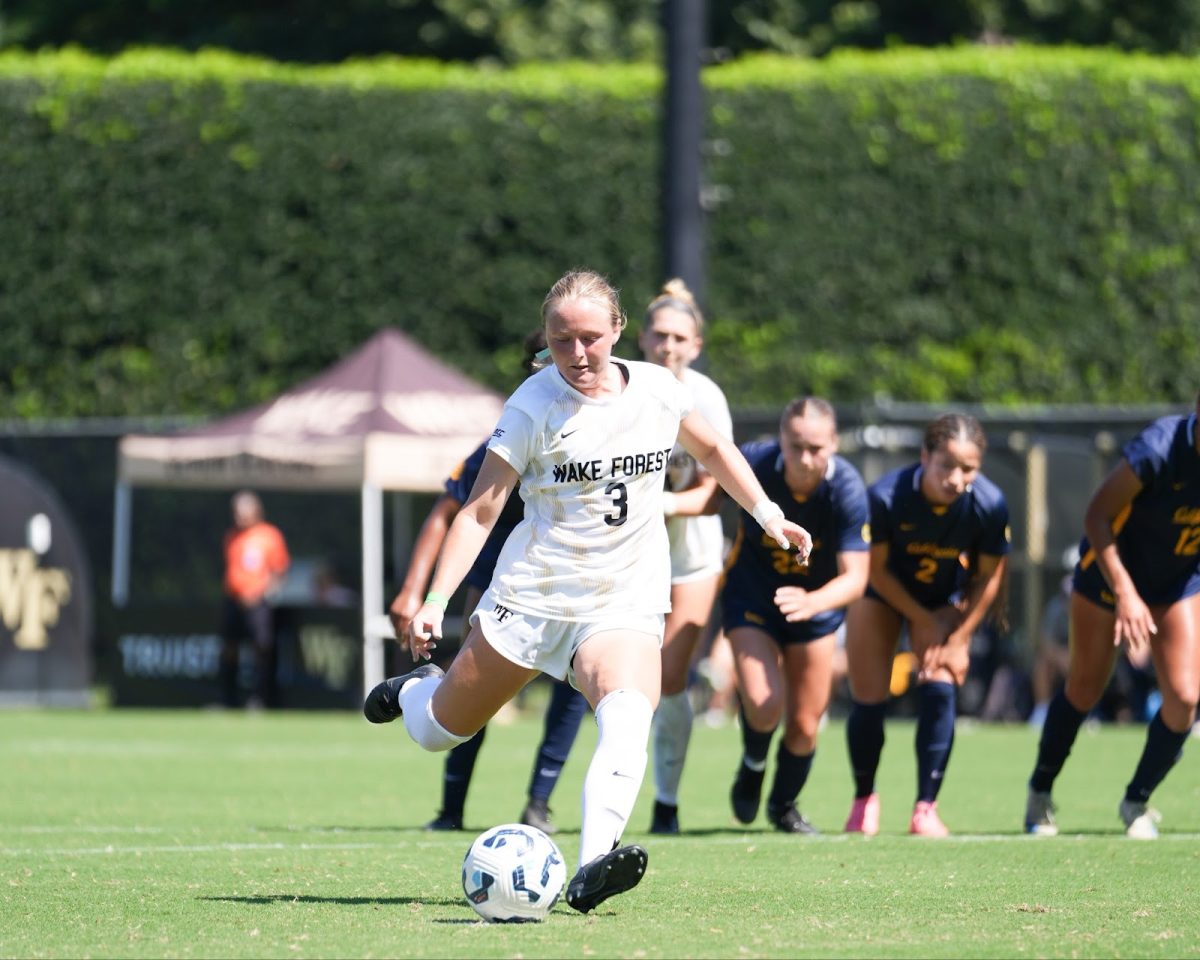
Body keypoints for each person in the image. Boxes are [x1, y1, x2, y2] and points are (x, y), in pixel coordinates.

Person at [362, 269, 812, 914]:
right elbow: (478, 513)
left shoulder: (657, 389)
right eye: (561, 339)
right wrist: (434, 601)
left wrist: (769, 516)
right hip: (534, 593)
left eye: (591, 339)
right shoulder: (531, 405)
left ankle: (594, 863)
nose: (577, 354)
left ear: (619, 331)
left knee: (628, 713)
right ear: (547, 338)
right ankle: (415, 689)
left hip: (622, 597)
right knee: (437, 734)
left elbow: (716, 450)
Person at [387, 330, 589, 835]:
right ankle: (451, 807)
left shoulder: (604, 428)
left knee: (576, 690)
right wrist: (416, 593)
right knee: (472, 690)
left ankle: (539, 803)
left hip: (574, 581)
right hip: (500, 579)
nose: (565, 360)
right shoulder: (514, 429)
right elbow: (452, 510)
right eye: (548, 354)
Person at [1024, 395, 1200, 839]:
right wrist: (1126, 593)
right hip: (1108, 572)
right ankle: (1040, 792)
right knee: (1085, 687)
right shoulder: (1158, 450)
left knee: (1184, 697)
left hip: (1175, 578)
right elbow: (1096, 516)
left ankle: (1136, 800)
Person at [843, 413, 1010, 836]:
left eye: (968, 469)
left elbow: (990, 577)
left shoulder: (989, 505)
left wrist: (959, 636)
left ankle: (925, 809)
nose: (956, 478)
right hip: (884, 594)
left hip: (945, 601)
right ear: (924, 457)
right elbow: (876, 572)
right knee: (869, 694)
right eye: (946, 466)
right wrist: (922, 620)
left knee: (941, 678)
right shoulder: (884, 496)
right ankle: (864, 800)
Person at [723, 397, 870, 833]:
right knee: (766, 705)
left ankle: (783, 806)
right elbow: (710, 484)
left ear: (835, 444)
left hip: (815, 605)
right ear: (781, 440)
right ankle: (752, 765)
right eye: (796, 446)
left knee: (805, 725)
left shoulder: (846, 489)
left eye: (817, 448)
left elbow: (856, 579)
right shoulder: (754, 463)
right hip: (752, 596)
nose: (806, 459)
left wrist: (813, 603)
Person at [637, 278, 734, 835]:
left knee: (670, 680)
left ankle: (666, 802)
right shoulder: (617, 387)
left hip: (691, 559)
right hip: (627, 557)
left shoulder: (706, 397)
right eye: (659, 334)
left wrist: (661, 502)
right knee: (622, 683)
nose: (667, 345)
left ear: (695, 345)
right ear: (640, 336)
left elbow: (712, 491)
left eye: (679, 337)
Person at [219, 490, 290, 709]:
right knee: (230, 650)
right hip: (233, 601)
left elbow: (280, 571)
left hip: (258, 604)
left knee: (262, 649)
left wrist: (261, 593)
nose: (239, 517)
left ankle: (260, 700)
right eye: (236, 513)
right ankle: (228, 700)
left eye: (243, 512)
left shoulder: (269, 536)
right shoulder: (231, 536)